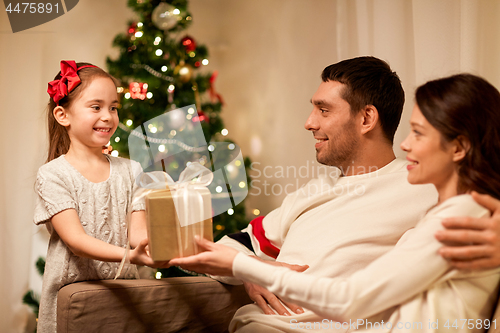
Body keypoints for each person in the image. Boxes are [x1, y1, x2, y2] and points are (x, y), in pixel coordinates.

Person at [171, 73, 500, 332]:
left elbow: (352, 299)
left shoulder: (432, 192)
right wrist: (253, 272)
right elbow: (238, 242)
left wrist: (239, 264)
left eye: (323, 110)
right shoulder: (313, 191)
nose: (309, 122)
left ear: (367, 118)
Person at [33, 60, 166, 332]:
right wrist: (132, 257)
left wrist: (158, 247)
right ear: (63, 115)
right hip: (72, 300)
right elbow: (78, 242)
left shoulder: (132, 170)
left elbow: (137, 235)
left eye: (113, 108)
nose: (108, 116)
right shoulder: (52, 174)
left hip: (124, 295)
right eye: (96, 107)